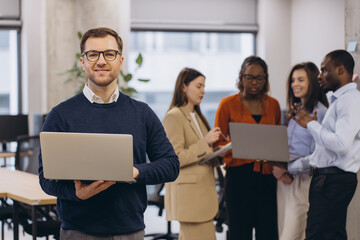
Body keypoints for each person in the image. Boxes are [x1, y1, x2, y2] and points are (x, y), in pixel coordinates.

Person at [38, 27, 180, 240]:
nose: (101, 61)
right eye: (93, 54)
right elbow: (45, 178)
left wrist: (132, 172)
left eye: (109, 54)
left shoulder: (142, 113)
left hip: (130, 231)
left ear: (120, 61)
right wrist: (76, 194)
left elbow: (170, 165)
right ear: (83, 61)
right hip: (78, 232)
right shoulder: (60, 115)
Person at [292, 49, 360, 240]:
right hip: (330, 181)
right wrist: (291, 165)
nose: (319, 76)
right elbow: (324, 154)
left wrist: (311, 124)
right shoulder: (339, 100)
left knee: (317, 236)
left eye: (324, 70)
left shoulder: (349, 100)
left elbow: (341, 144)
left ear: (340, 70)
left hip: (333, 182)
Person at [214, 56, 281, 240]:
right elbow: (218, 143)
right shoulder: (227, 104)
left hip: (266, 178)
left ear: (265, 79)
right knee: (239, 232)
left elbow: (277, 141)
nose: (254, 82)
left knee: (268, 232)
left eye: (260, 78)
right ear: (241, 77)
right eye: (249, 76)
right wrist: (238, 147)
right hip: (238, 178)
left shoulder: (273, 105)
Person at [162, 68, 222, 240]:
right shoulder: (174, 116)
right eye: (199, 86)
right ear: (183, 87)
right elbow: (175, 158)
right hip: (190, 199)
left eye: (204, 86)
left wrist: (219, 153)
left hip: (202, 197)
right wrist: (206, 143)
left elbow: (202, 153)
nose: (203, 91)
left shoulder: (196, 116)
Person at [274, 62, 328, 240]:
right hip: (284, 181)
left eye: (301, 80)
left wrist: (288, 167)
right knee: (284, 232)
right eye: (293, 80)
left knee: (292, 235)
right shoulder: (295, 112)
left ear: (312, 82)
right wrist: (278, 168)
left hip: (305, 180)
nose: (295, 84)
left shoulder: (320, 113)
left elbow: (319, 155)